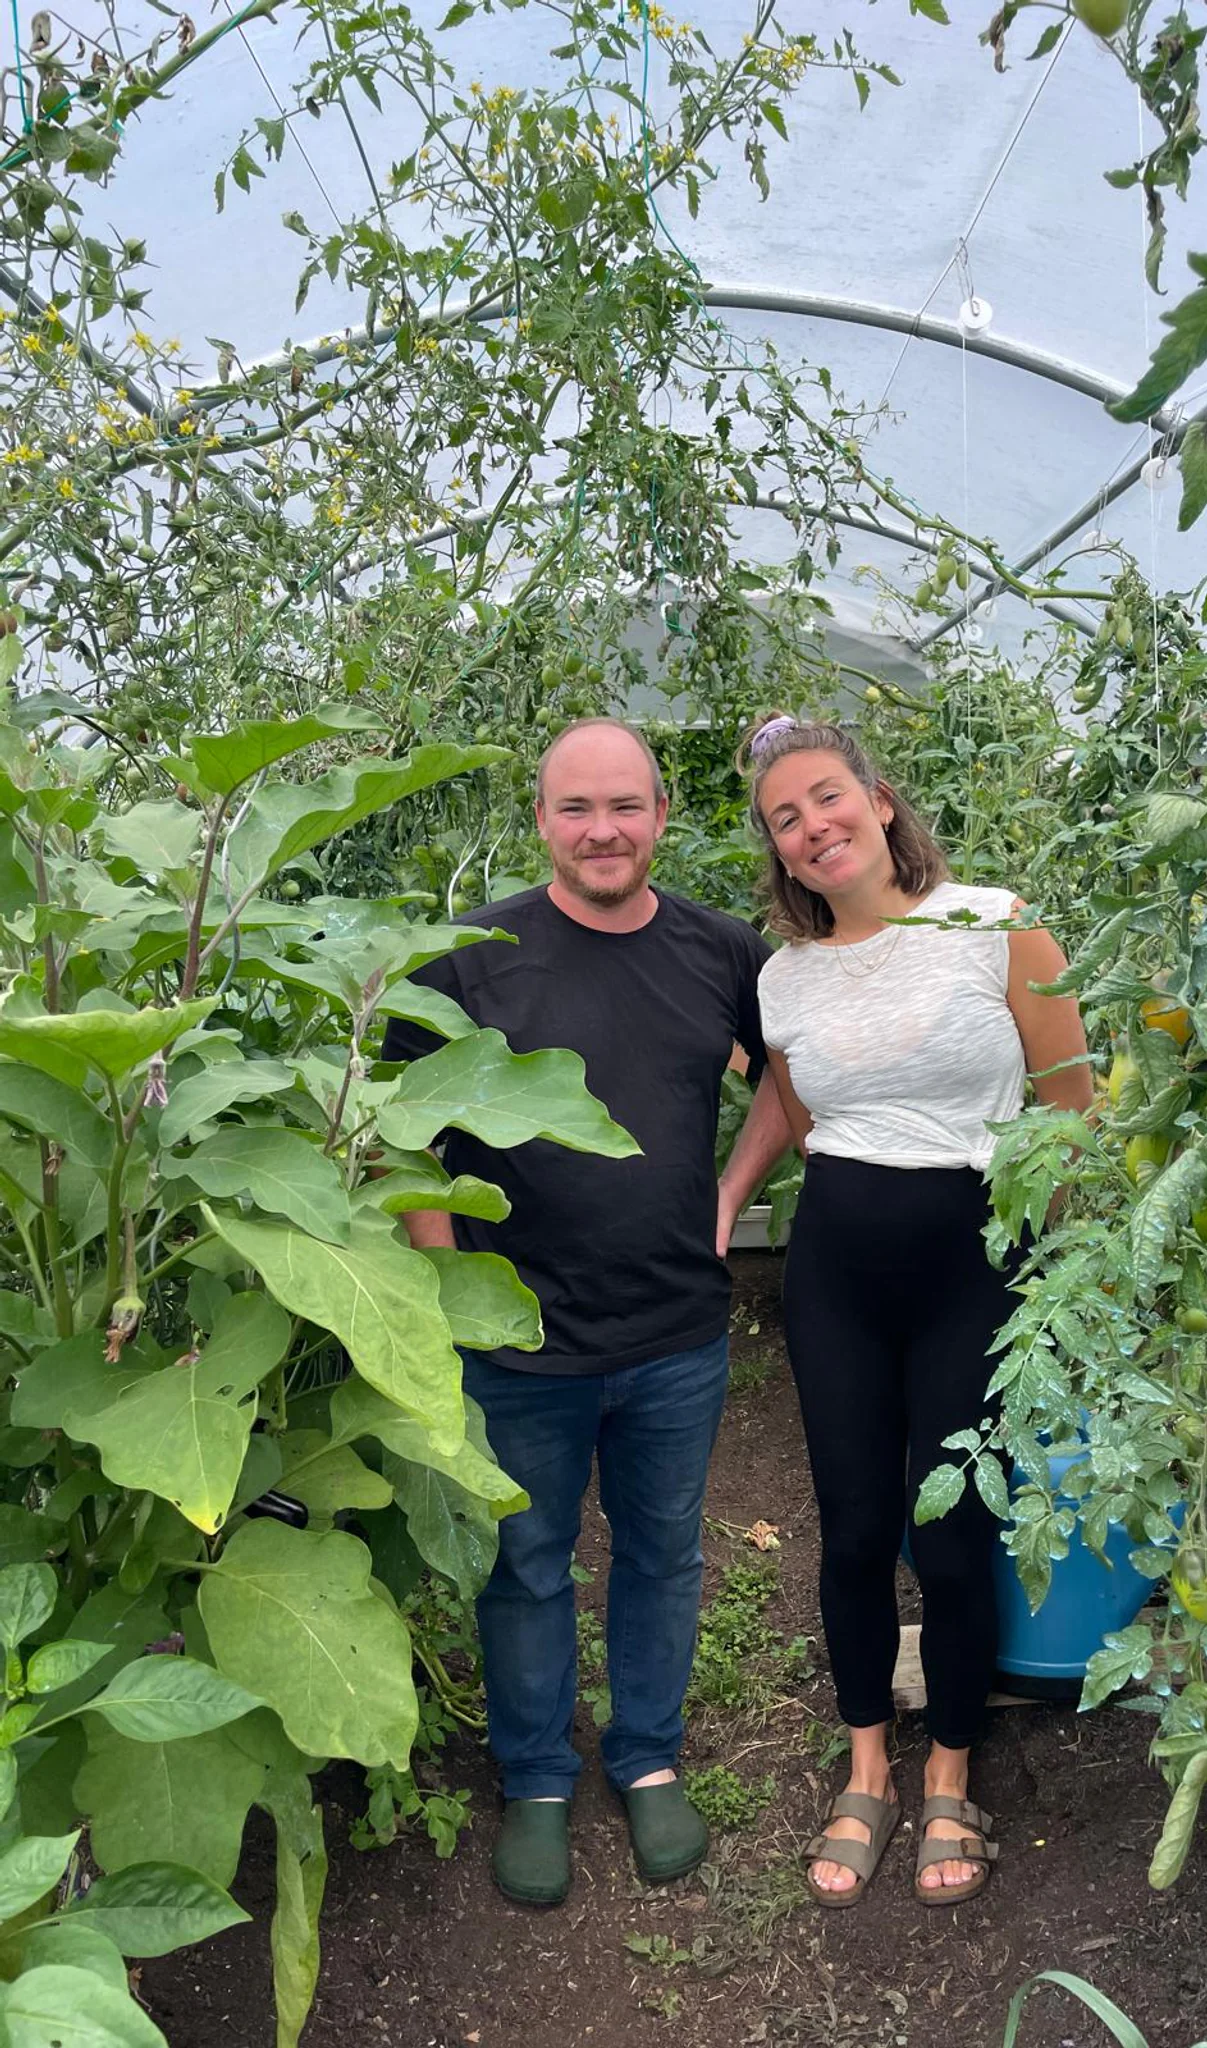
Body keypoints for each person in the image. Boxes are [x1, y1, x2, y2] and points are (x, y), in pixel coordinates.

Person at [381, 717, 790, 1908]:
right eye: (576, 808)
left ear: (663, 815)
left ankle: (648, 1753)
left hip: (676, 1331)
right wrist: (454, 1284)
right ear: (542, 820)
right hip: (521, 1337)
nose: (602, 829)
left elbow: (793, 1075)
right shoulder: (475, 959)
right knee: (526, 1563)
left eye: (624, 805)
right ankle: (540, 1776)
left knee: (663, 1552)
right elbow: (403, 1131)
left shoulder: (726, 952)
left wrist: (731, 1190)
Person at [743, 710, 1092, 1908]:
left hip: (974, 1265)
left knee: (948, 1533)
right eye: (786, 817)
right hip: (835, 1266)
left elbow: (1072, 1104)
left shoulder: (997, 925)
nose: (813, 825)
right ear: (781, 852)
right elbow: (795, 1111)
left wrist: (1075, 1266)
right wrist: (730, 1188)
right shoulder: (783, 975)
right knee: (850, 1528)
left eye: (827, 796)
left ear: (879, 800)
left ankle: (951, 1767)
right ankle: (868, 1767)